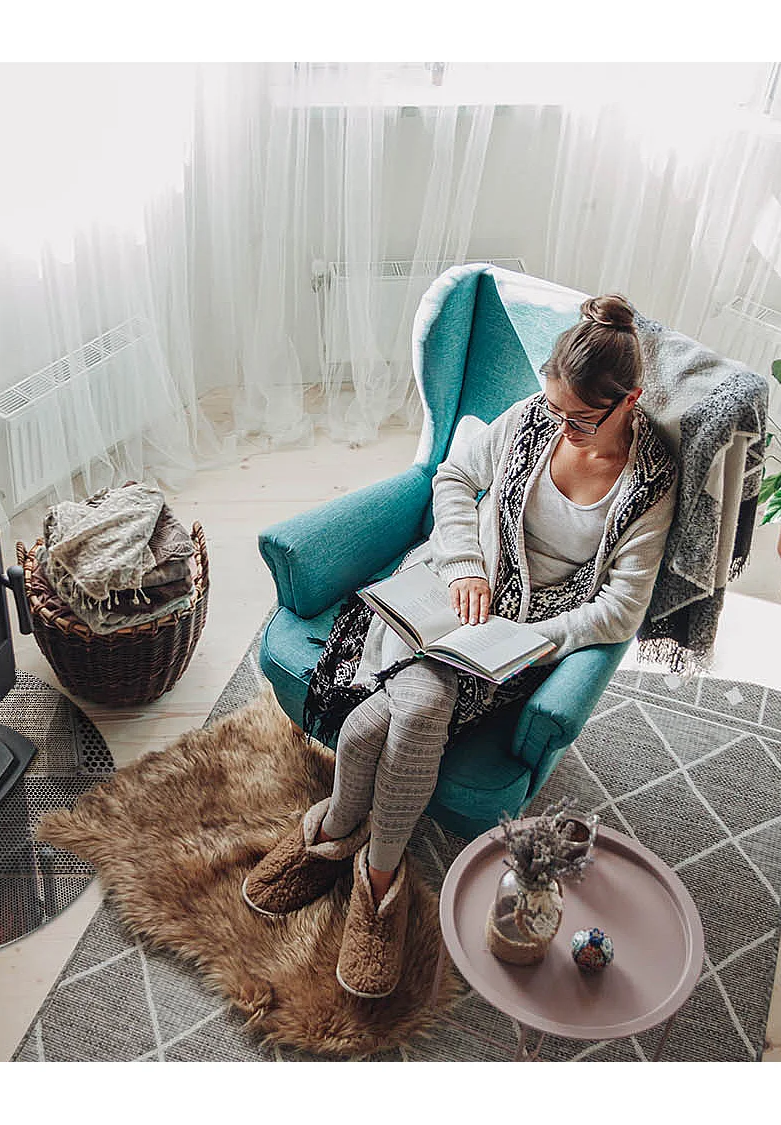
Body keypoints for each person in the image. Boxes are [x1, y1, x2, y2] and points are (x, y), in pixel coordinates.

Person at [242, 293, 679, 999]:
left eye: (579, 419)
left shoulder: (650, 482)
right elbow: (453, 476)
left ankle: (346, 850)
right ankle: (372, 874)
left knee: (387, 721)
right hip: (451, 582)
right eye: (553, 408)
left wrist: (535, 641)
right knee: (413, 711)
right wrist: (466, 566)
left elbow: (621, 608)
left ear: (628, 400)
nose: (560, 429)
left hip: (526, 633)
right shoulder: (537, 416)